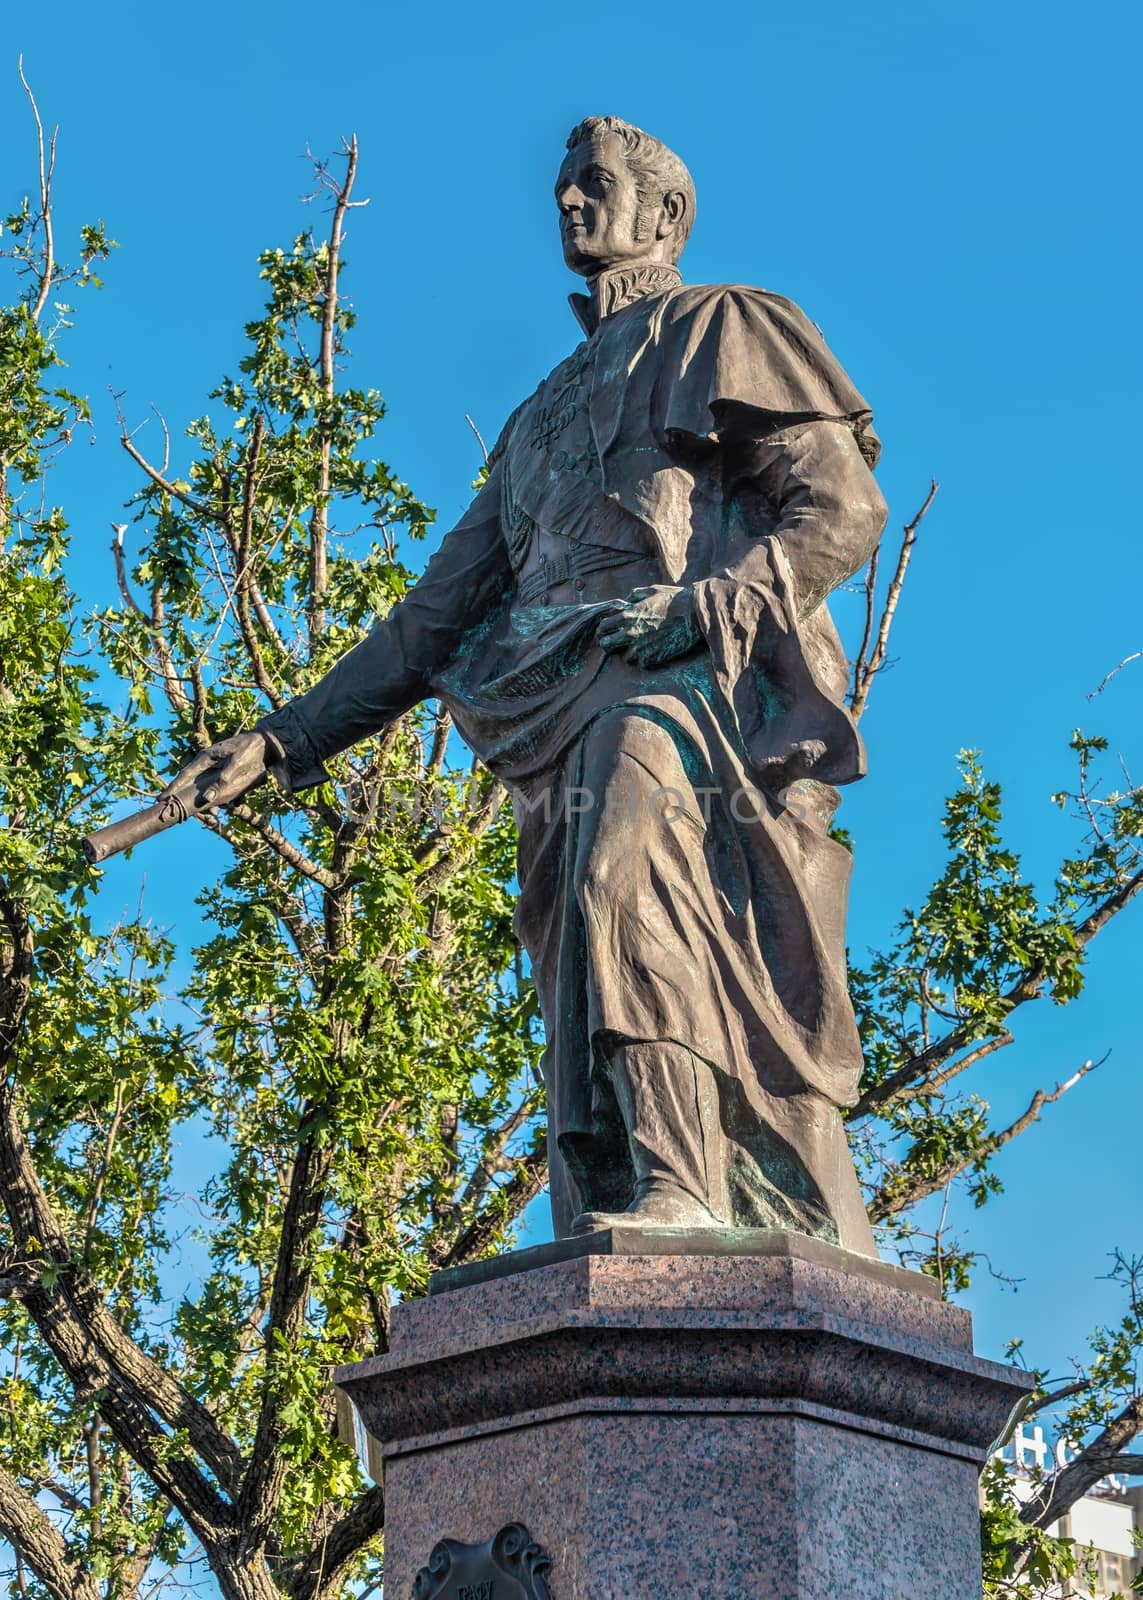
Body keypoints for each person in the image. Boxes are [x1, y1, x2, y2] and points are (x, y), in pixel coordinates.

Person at [172, 115, 888, 1254]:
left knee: (623, 878)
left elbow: (841, 511)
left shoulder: (726, 325)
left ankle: (681, 1185)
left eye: (594, 185)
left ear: (665, 216)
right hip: (553, 701)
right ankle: (619, 1196)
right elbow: (429, 622)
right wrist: (280, 739)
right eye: (561, 188)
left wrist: (708, 606)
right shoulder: (536, 418)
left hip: (688, 686)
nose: (567, 204)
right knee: (574, 963)